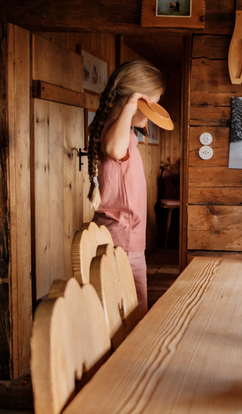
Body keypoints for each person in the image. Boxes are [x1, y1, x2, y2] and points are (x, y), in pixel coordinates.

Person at [86, 60, 168, 316]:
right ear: (135, 99)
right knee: (134, 311)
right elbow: (114, 149)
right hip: (122, 239)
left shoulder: (117, 129)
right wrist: (132, 105)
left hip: (122, 235)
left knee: (128, 307)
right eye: (151, 103)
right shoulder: (114, 130)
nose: (153, 111)